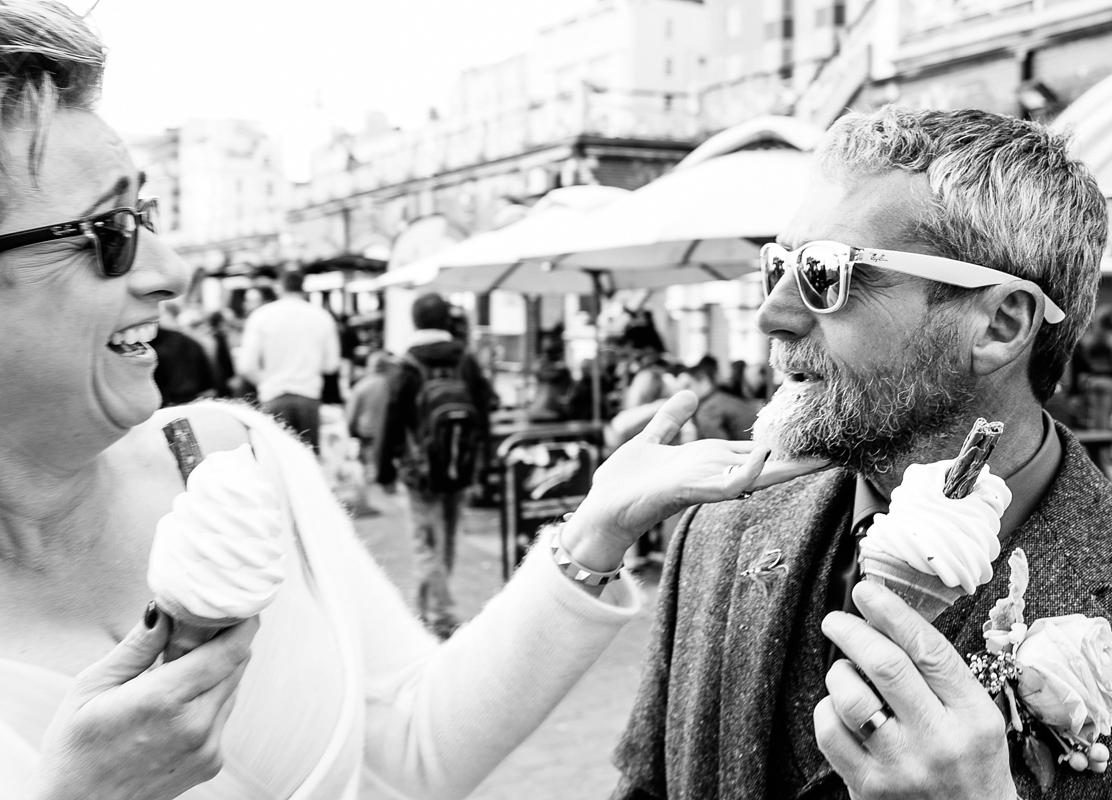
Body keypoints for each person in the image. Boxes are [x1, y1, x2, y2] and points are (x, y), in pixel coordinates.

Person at [0, 8, 804, 799]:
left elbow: (410, 748)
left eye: (145, 214)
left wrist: (596, 529)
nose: (171, 269)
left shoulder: (231, 460)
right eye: (108, 228)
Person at [594, 107, 1112, 798]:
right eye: (779, 265)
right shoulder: (721, 530)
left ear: (1000, 323)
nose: (774, 314)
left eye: (826, 273)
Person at [375, 293, 494, 639]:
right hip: (460, 464)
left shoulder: (408, 365)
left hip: (420, 471)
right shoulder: (465, 360)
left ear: (415, 321)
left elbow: (392, 420)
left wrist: (383, 471)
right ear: (446, 320)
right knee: (447, 538)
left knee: (426, 540)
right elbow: (484, 410)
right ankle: (429, 606)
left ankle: (437, 613)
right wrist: (482, 463)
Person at [236, 270, 340, 453]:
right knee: (307, 463)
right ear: (303, 288)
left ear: (280, 288)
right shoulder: (322, 317)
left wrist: (267, 382)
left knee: (276, 463)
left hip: (273, 397)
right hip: (309, 397)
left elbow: (245, 366)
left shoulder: (262, 315)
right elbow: (331, 365)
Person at [150, 301, 217, 407]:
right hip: (192, 402)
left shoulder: (155, 344)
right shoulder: (192, 342)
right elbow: (208, 386)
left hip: (165, 405)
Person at [677, 357, 758, 441]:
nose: (683, 392)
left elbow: (718, 448)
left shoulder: (708, 410)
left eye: (687, 386)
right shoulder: (722, 397)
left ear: (703, 380)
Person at [345, 350, 393, 482]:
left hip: (367, 432)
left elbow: (350, 416)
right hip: (388, 434)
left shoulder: (362, 386)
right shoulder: (393, 385)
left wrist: (349, 433)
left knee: (367, 468)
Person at [1076, 308, 1112, 430]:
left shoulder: (1090, 338)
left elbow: (1084, 357)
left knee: (1094, 415)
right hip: (1108, 379)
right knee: (1106, 416)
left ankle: (1094, 447)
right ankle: (1104, 447)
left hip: (1093, 379)